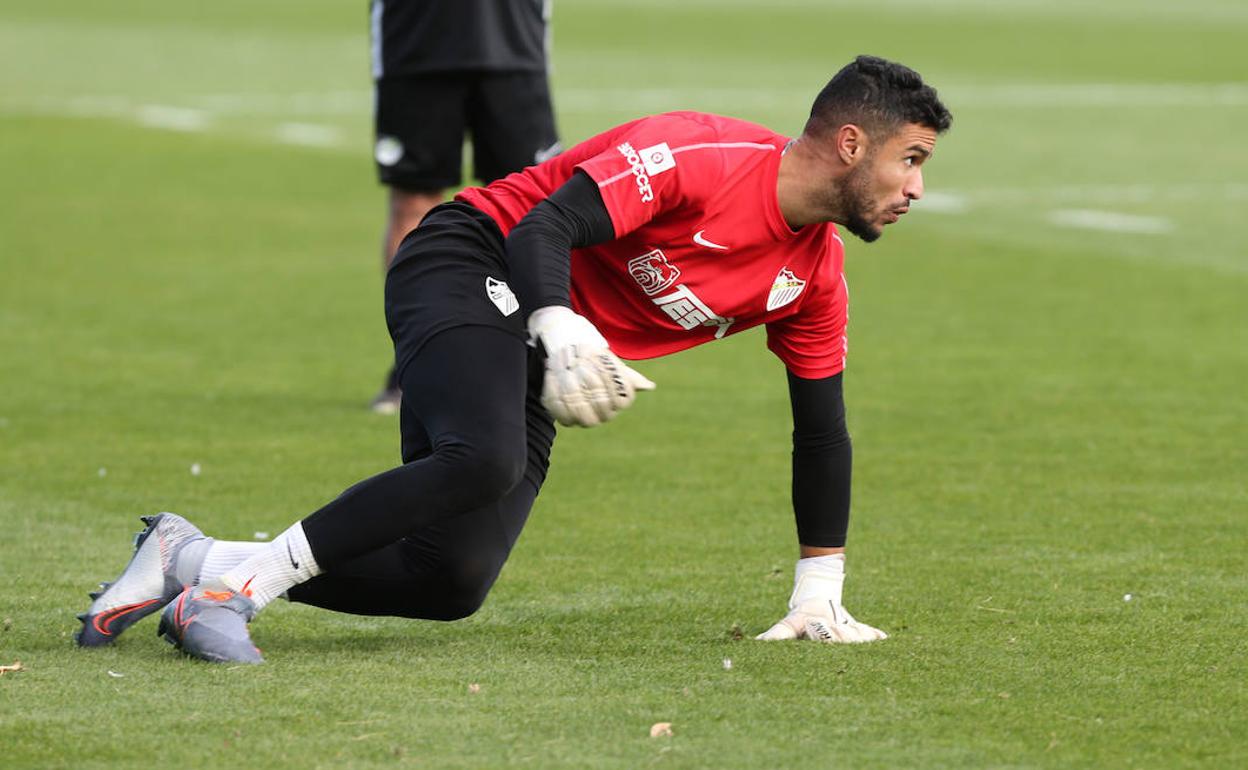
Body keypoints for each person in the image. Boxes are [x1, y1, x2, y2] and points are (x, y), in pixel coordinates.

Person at [75, 56, 952, 663]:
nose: (916, 188)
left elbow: (822, 432)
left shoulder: (814, 278)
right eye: (908, 160)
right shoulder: (698, 154)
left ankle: (188, 559)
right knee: (485, 458)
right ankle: (236, 596)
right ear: (848, 145)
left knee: (448, 581)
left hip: (538, 332)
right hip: (472, 258)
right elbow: (545, 225)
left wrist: (817, 590)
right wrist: (561, 322)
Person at [368, 0, 562, 414]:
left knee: (531, 203)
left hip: (515, 43)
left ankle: (536, 356)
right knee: (413, 200)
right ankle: (414, 364)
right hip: (416, 43)